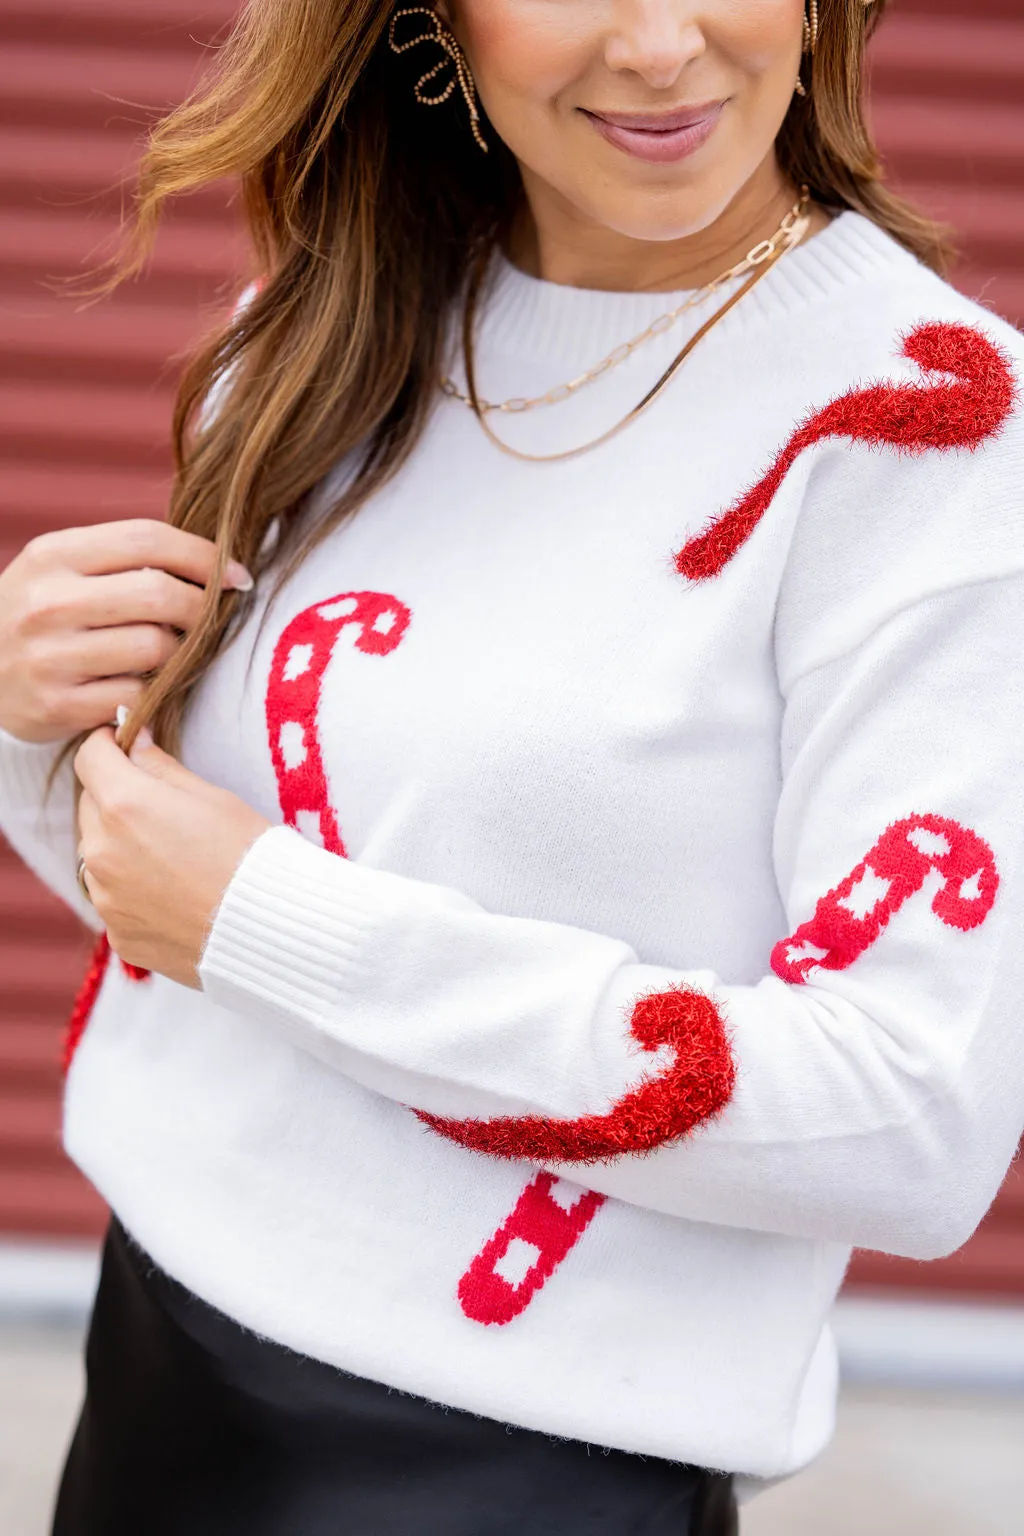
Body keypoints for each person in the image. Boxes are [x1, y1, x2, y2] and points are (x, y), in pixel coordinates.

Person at [1, 1, 1022, 1531]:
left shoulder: (933, 438)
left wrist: (268, 920)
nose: (664, 44)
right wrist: (31, 734)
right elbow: (172, 917)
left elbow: (911, 1122)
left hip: (507, 1469)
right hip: (155, 1363)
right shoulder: (323, 334)